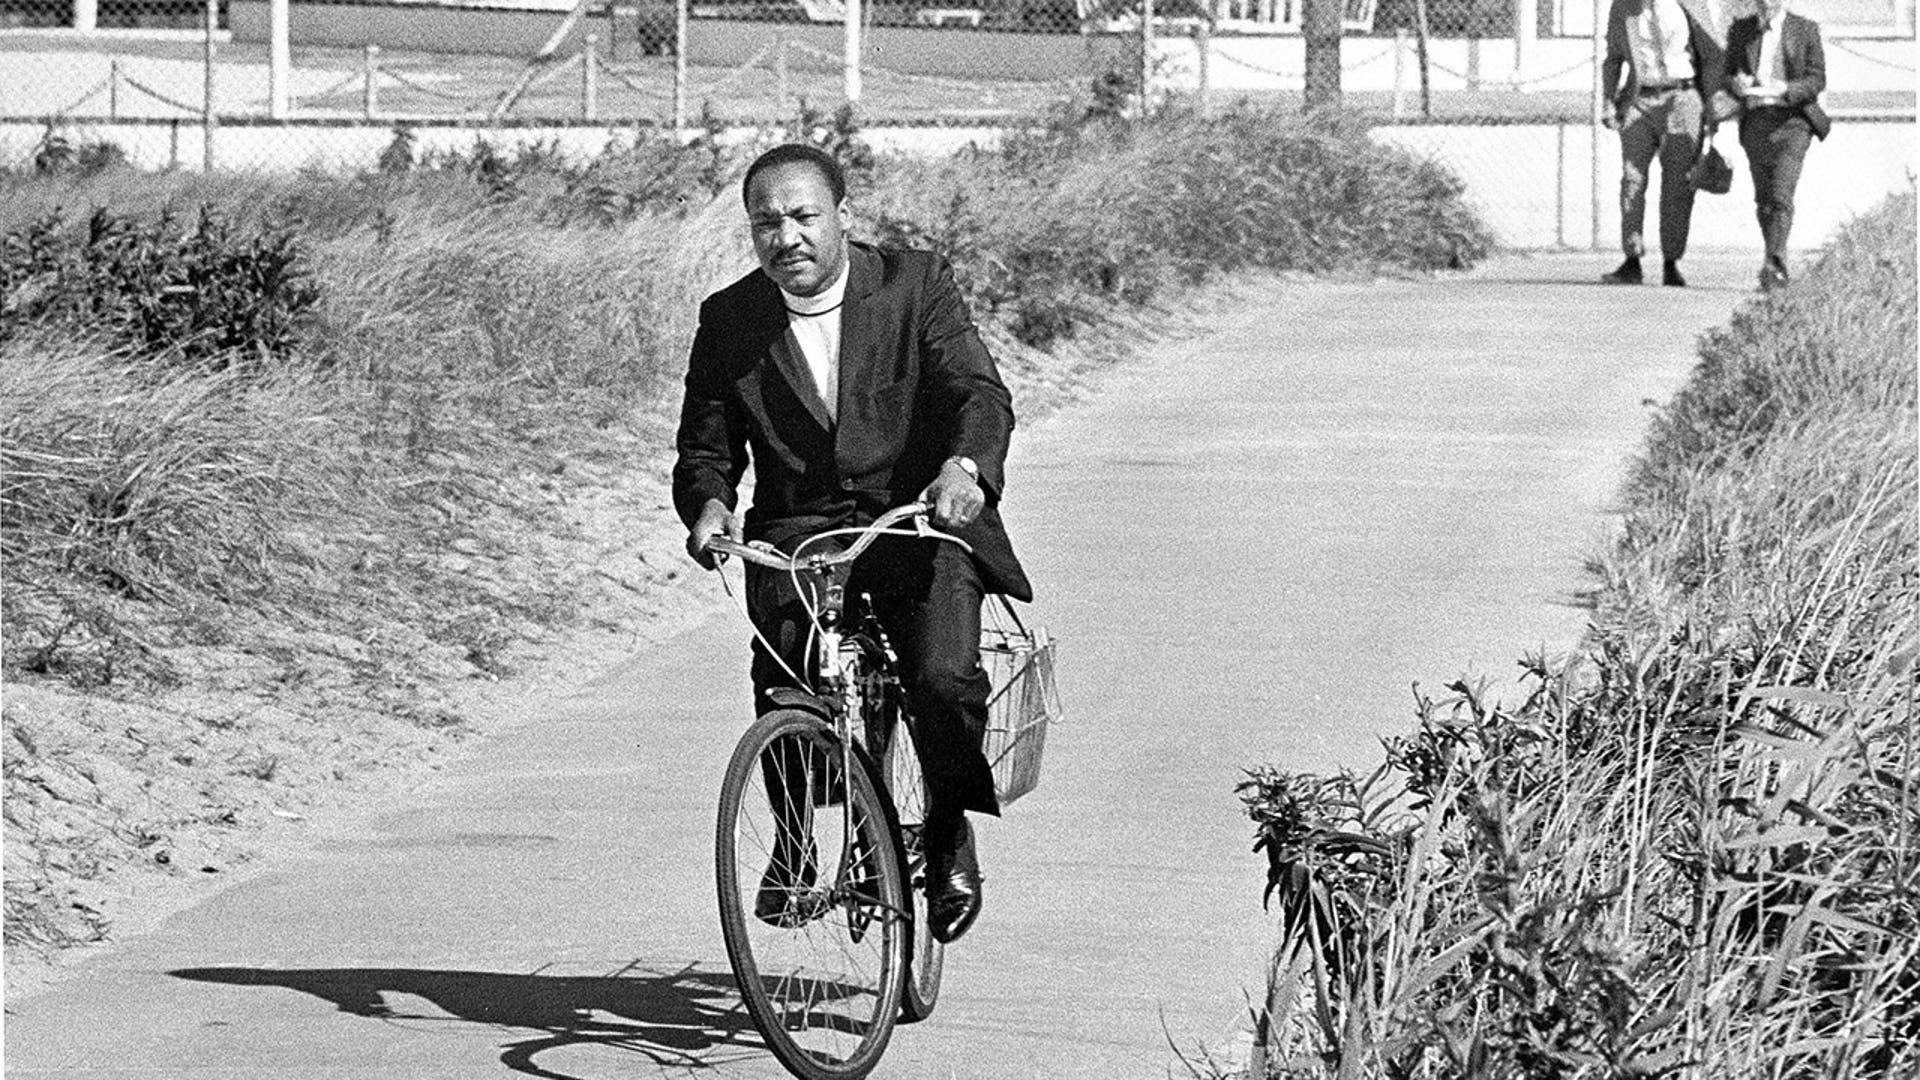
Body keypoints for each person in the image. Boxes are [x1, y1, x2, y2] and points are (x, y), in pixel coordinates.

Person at [673, 143, 1032, 945]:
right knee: (787, 682)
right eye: (766, 224)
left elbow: (977, 391)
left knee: (940, 677)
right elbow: (706, 445)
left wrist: (964, 469)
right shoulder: (730, 320)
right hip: (800, 527)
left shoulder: (913, 283)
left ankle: (945, 831)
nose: (786, 238)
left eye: (803, 217)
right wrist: (710, 506)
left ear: (842, 215)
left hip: (919, 513)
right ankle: (797, 846)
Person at [1600, 0, 1722, 287]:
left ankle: (1672, 260)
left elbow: (1714, 54)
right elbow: (1613, 58)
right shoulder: (1623, 8)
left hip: (1681, 96)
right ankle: (1632, 259)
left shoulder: (1688, 4)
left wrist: (1715, 104)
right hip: (1638, 100)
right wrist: (1607, 101)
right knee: (1632, 179)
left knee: (1678, 182)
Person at [1722, 0, 1830, 291]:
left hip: (1793, 122)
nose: (1766, 2)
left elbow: (1817, 78)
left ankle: (1774, 265)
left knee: (1781, 194)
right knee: (1764, 198)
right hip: (1757, 121)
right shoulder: (1741, 30)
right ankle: (1773, 262)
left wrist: (1788, 89)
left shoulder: (1804, 29)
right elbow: (1727, 72)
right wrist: (1738, 82)